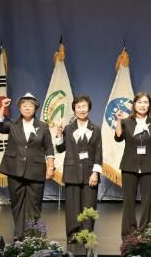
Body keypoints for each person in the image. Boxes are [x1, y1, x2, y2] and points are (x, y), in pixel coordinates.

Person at [0, 93, 55, 240]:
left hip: (36, 170)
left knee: (35, 204)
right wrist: (2, 108)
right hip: (15, 170)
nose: (27, 108)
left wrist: (51, 167)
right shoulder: (12, 124)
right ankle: (19, 234)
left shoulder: (43, 126)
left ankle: (33, 235)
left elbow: (49, 147)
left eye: (30, 106)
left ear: (35, 108)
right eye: (24, 106)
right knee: (17, 203)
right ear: (20, 109)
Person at [114, 91, 151, 237]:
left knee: (148, 200)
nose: (142, 105)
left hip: (148, 166)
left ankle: (146, 230)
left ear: (149, 105)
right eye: (140, 102)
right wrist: (118, 121)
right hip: (129, 165)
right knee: (129, 200)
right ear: (134, 105)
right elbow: (118, 137)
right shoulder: (127, 122)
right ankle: (129, 230)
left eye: (145, 102)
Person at [55, 95, 102, 242]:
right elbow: (60, 148)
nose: (81, 110)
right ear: (74, 109)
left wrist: (95, 173)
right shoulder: (68, 129)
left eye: (84, 106)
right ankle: (73, 234)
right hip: (72, 171)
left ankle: (86, 233)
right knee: (72, 205)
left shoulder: (96, 129)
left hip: (89, 172)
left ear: (89, 108)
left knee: (89, 204)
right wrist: (59, 134)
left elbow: (99, 152)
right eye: (78, 107)